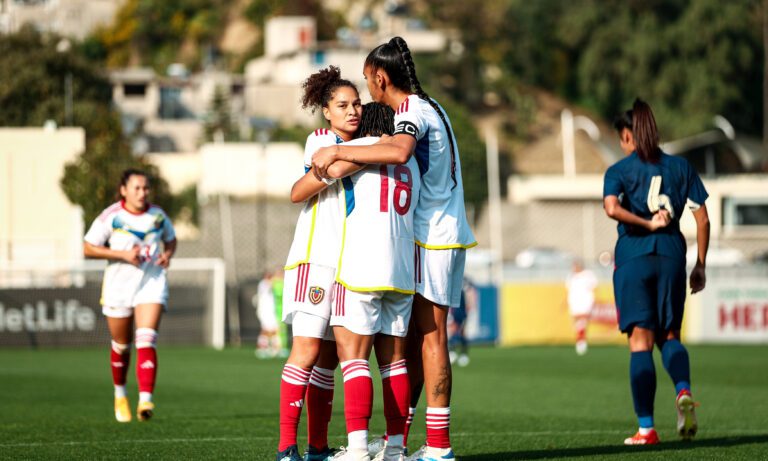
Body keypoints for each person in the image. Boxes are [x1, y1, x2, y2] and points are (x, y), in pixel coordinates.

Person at [313, 37, 476, 461]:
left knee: (430, 340)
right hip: (449, 228)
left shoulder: (410, 111)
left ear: (380, 77)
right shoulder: (433, 104)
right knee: (415, 343)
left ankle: (437, 446)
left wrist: (337, 149)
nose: (367, 93)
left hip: (430, 233)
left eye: (368, 81)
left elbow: (400, 150)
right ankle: (401, 440)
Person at [603, 98, 710, 446]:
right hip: (672, 256)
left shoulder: (619, 171)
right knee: (670, 336)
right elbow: (703, 219)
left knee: (640, 343)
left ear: (627, 137)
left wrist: (646, 225)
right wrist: (700, 265)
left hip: (634, 256)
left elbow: (612, 208)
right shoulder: (682, 168)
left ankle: (646, 429)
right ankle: (682, 391)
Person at [276, 66, 361, 461]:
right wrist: (384, 150)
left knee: (328, 361)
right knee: (306, 351)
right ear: (326, 112)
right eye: (342, 105)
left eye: (357, 103)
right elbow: (331, 169)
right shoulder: (322, 139)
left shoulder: (359, 144)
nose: (352, 111)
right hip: (314, 260)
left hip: (345, 265)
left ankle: (318, 447)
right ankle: (285, 447)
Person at [327, 101, 420, 461]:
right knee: (395, 363)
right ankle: (395, 448)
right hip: (401, 269)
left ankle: (358, 449)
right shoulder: (408, 161)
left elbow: (321, 170)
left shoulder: (359, 149)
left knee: (353, 360)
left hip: (363, 264)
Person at [83, 168, 177, 423]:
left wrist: (167, 254)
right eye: (136, 188)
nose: (142, 192)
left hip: (151, 281)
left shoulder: (158, 215)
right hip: (119, 286)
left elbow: (171, 239)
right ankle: (120, 394)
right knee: (122, 346)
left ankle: (145, 400)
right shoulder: (111, 216)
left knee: (146, 339)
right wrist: (122, 255)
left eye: (145, 188)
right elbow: (88, 247)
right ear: (124, 190)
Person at [565, 259, 598, 355]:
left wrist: (594, 299)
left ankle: (581, 342)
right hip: (574, 302)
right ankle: (580, 340)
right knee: (577, 322)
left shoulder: (588, 274)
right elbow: (568, 290)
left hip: (585, 301)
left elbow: (594, 286)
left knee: (582, 321)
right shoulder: (571, 276)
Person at [256, 270, 282, 359]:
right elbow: (270, 284)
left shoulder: (269, 284)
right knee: (265, 330)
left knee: (274, 330)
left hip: (271, 312)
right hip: (265, 312)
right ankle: (262, 349)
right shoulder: (263, 284)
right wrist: (276, 278)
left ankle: (275, 349)